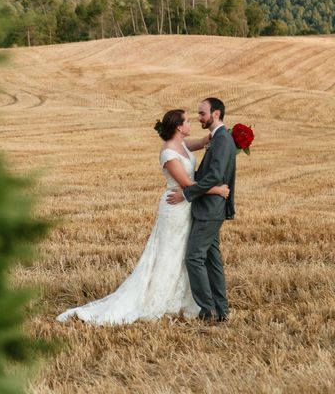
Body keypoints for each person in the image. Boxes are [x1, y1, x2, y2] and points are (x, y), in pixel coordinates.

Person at [56, 109, 230, 325]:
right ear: (178, 127)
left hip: (187, 206)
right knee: (168, 252)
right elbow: (185, 184)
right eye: (187, 121)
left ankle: (184, 298)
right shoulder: (168, 153)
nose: (192, 122)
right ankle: (157, 299)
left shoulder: (183, 145)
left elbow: (205, 140)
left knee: (182, 251)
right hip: (175, 205)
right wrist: (217, 190)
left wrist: (223, 134)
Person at [167, 98, 236, 323]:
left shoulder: (223, 139)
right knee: (210, 259)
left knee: (194, 258)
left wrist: (187, 194)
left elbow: (215, 176)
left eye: (202, 113)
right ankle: (221, 310)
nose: (199, 118)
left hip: (210, 210)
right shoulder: (218, 138)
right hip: (208, 208)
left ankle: (208, 310)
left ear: (216, 114)